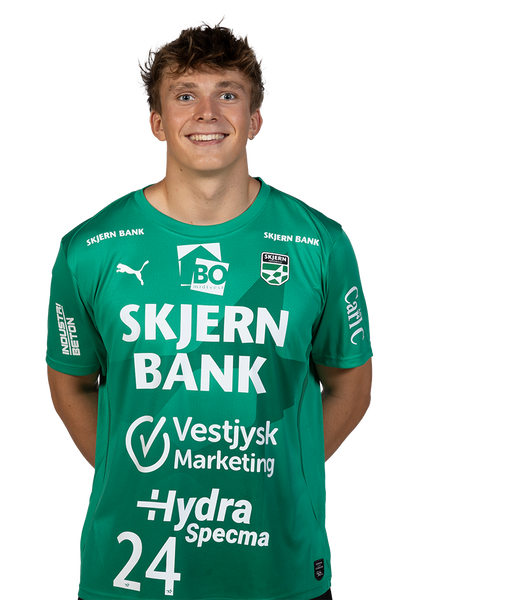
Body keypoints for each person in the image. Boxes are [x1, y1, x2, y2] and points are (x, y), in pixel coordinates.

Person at [44, 11, 374, 600]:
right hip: (129, 570)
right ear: (155, 122)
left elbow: (351, 383)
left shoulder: (321, 243)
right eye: (184, 95)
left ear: (256, 119)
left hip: (277, 565)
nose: (206, 113)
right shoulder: (88, 249)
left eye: (228, 94)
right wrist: (139, 470)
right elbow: (70, 382)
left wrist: (277, 470)